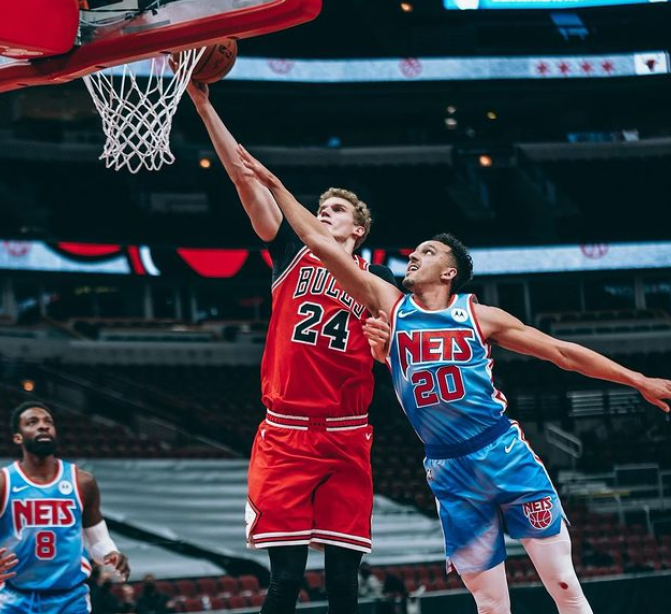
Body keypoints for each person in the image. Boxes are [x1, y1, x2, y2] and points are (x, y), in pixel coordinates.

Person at [238, 146, 671, 614]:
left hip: (502, 451)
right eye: (414, 250)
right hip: (447, 467)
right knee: (488, 603)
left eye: (426, 252)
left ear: (449, 272)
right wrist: (277, 186)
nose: (412, 256)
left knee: (564, 583)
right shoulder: (389, 305)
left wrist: (638, 379)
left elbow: (562, 353)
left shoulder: (479, 315)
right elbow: (318, 244)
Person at [185, 82, 396, 614]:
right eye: (321, 207)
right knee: (284, 582)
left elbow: (396, 355)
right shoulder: (289, 252)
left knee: (344, 585)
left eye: (337, 209)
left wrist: (386, 348)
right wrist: (204, 103)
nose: (325, 212)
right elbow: (241, 175)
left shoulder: (381, 281)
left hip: (347, 434)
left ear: (360, 228)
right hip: (286, 433)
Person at [0, 402, 130, 614]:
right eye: (32, 423)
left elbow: (98, 541)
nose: (43, 427)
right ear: (18, 437)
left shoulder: (82, 482)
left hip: (70, 598)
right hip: (13, 598)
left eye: (48, 422)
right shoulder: (4, 483)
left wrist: (111, 553)